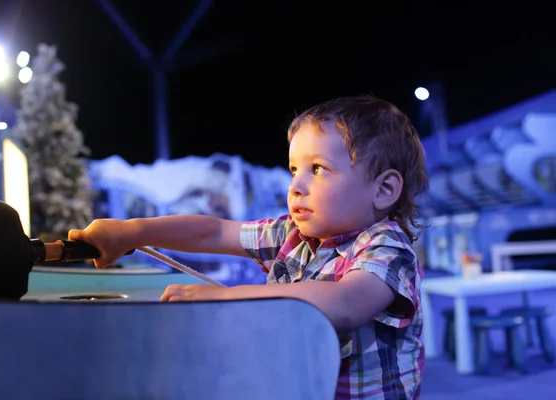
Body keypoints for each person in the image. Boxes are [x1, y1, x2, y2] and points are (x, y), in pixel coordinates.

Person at [69, 95, 429, 399]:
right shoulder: (294, 236)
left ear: (383, 190)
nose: (296, 186)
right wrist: (131, 232)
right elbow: (212, 233)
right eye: (293, 170)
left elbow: (347, 304)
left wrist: (225, 298)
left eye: (318, 169)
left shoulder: (386, 247)